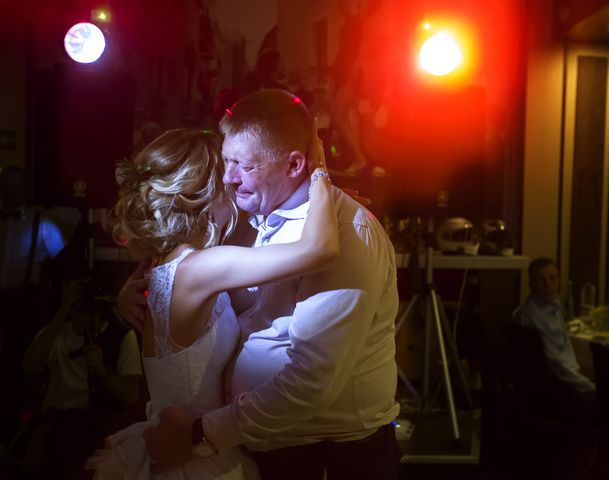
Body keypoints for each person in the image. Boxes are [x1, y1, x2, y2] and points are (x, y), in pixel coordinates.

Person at [120, 90, 402, 480]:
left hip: (328, 456)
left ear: (294, 165)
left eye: (243, 165)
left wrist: (204, 433)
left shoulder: (342, 234)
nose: (230, 179)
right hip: (252, 448)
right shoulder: (248, 224)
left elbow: (312, 381)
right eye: (226, 163)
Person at [88, 127, 338, 479]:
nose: (236, 181)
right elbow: (320, 249)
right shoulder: (199, 269)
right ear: (208, 192)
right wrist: (320, 173)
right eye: (228, 173)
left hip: (189, 445)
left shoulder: (169, 264)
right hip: (194, 459)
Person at [17, 275, 143, 479]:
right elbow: (29, 367)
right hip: (57, 422)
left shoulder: (121, 336)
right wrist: (63, 310)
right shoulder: (56, 334)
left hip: (101, 422)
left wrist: (103, 371)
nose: (84, 314)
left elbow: (130, 395)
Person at [0, 165, 68, 443]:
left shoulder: (43, 225)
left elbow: (66, 259)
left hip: (23, 303)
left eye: (16, 186)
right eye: (6, 185)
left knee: (19, 366)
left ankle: (13, 430)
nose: (10, 191)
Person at [511, 257, 596, 396]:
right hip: (554, 387)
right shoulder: (530, 316)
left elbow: (564, 351)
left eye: (552, 278)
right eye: (540, 279)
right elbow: (554, 364)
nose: (548, 285)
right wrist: (588, 386)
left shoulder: (555, 305)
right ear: (530, 284)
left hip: (568, 375)